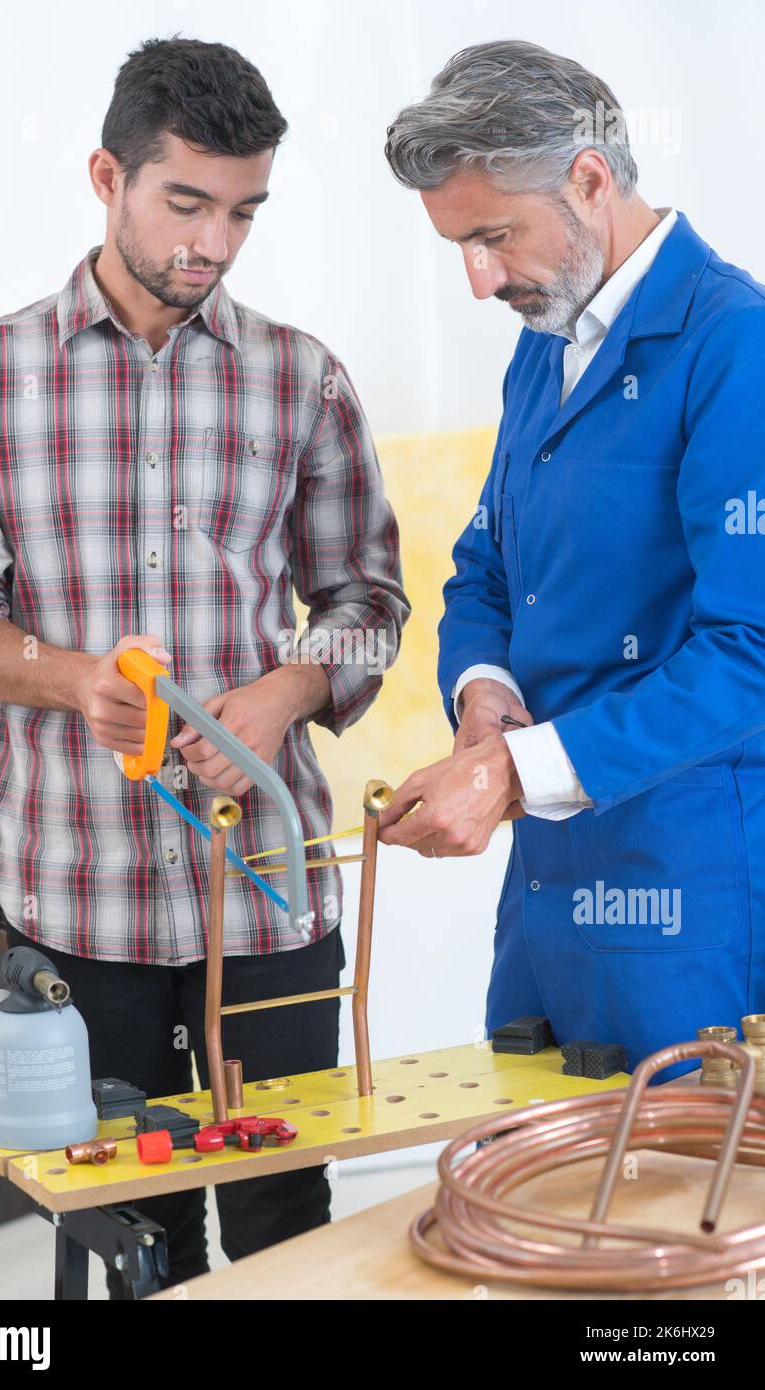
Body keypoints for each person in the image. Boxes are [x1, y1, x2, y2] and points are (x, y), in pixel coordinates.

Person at [0, 36, 408, 1291]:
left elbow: (366, 602)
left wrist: (284, 691)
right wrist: (73, 679)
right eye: (184, 202)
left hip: (267, 897)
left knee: (286, 1209)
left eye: (242, 212)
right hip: (73, 906)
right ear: (105, 177)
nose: (214, 244)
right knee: (131, 1232)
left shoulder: (302, 379)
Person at [379, 39, 765, 1077]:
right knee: (533, 1188)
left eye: (493, 236)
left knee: (688, 1206)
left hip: (687, 901)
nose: (477, 280)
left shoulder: (735, 348)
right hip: (544, 898)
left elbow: (750, 654)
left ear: (589, 180)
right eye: (457, 245)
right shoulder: (544, 342)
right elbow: (483, 565)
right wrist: (484, 695)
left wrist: (512, 770)